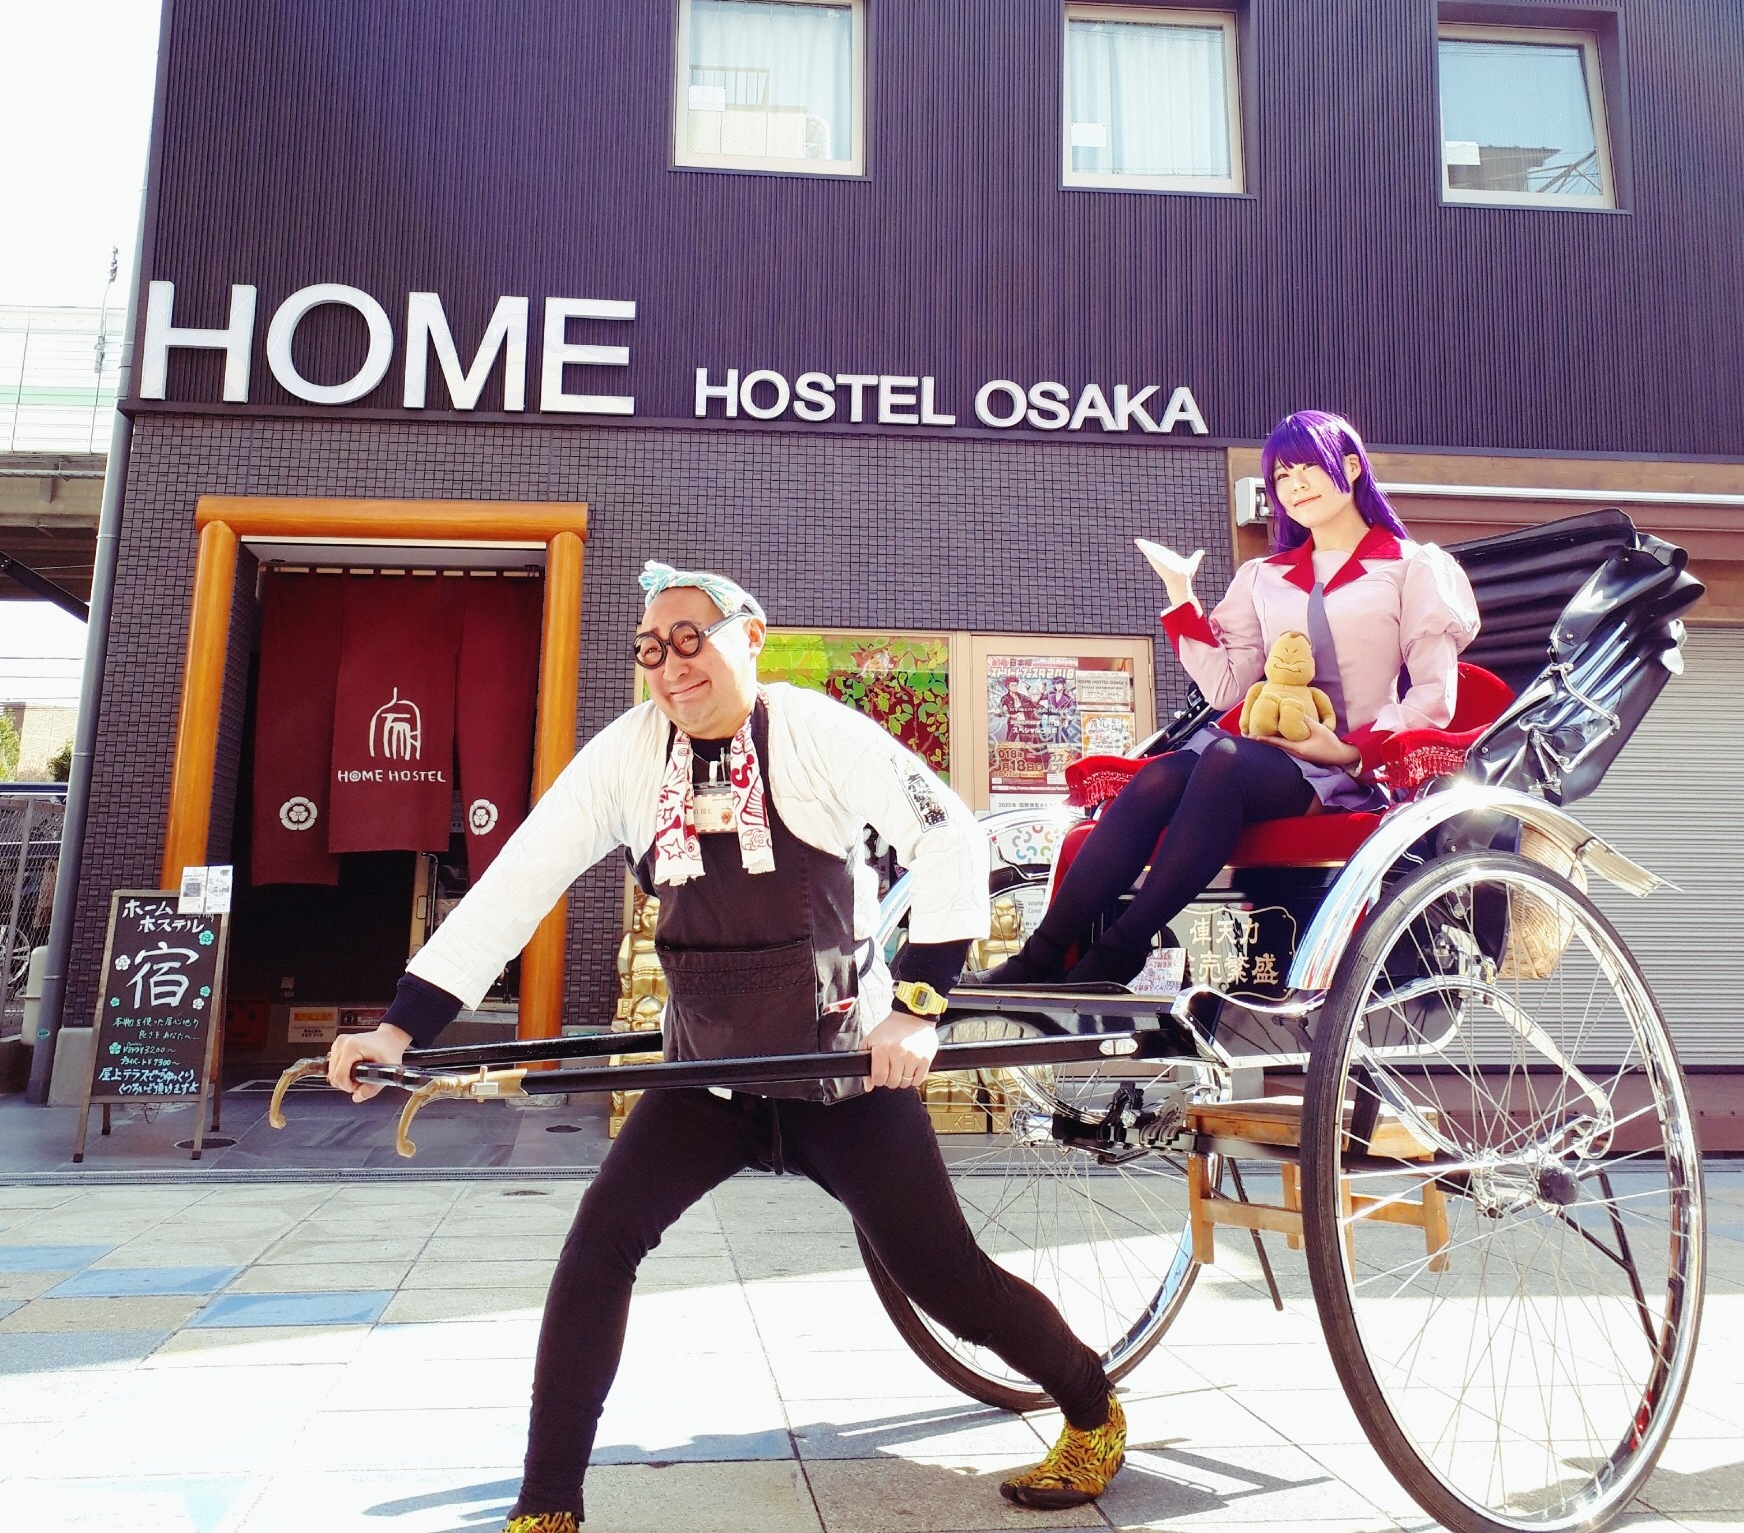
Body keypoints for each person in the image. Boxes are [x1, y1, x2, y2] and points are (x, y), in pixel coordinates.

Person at [328, 561, 1127, 1527]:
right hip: (707, 1076)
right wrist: (400, 1027)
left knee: (945, 1280)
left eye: (690, 640)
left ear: (749, 637)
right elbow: (517, 882)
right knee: (597, 1247)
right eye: (650, 649)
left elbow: (948, 836)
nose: (670, 666)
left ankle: (1091, 1407)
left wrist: (916, 1008)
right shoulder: (629, 753)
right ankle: (546, 1505)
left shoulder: (816, 731)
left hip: (843, 1075)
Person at [986, 410, 1481, 988]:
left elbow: (1433, 695)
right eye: (1282, 476)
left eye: (1307, 467)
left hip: (1348, 771)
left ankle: (1119, 951)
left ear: (1350, 467)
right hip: (1261, 759)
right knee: (1160, 776)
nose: (1294, 486)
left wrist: (1347, 752)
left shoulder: (1414, 567)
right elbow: (1227, 687)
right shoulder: (1262, 576)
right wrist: (1181, 596)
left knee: (1221, 759)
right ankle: (1042, 955)